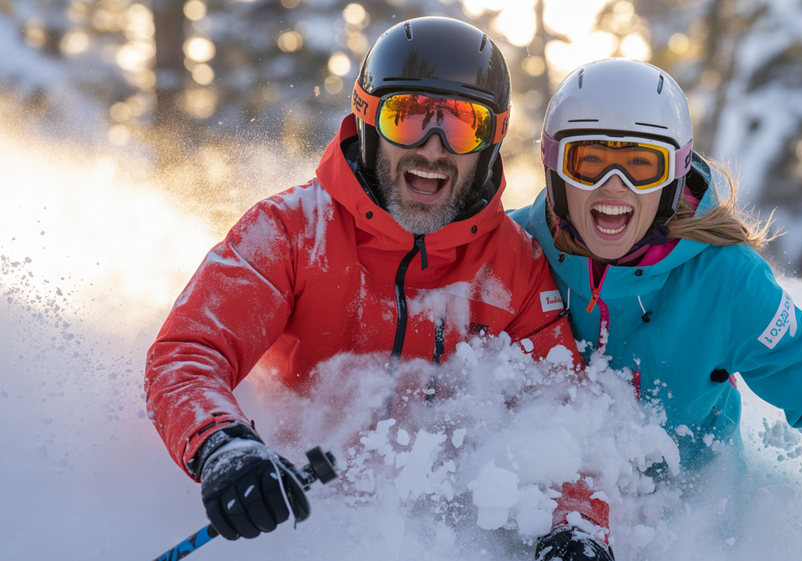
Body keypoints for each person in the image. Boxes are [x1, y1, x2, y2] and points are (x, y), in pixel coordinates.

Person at [509, 58, 802, 557]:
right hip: (547, 522)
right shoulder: (512, 254)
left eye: (640, 165)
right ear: (553, 163)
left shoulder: (723, 280)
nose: (614, 186)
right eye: (589, 161)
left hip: (692, 527)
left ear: (672, 175)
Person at [144, 17, 585, 544]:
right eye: (409, 118)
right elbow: (188, 352)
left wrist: (574, 529)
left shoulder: (515, 267)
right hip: (291, 518)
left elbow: (564, 416)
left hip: (448, 535)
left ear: (493, 137)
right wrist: (223, 446)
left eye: (463, 124)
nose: (434, 147)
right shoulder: (292, 231)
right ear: (367, 118)